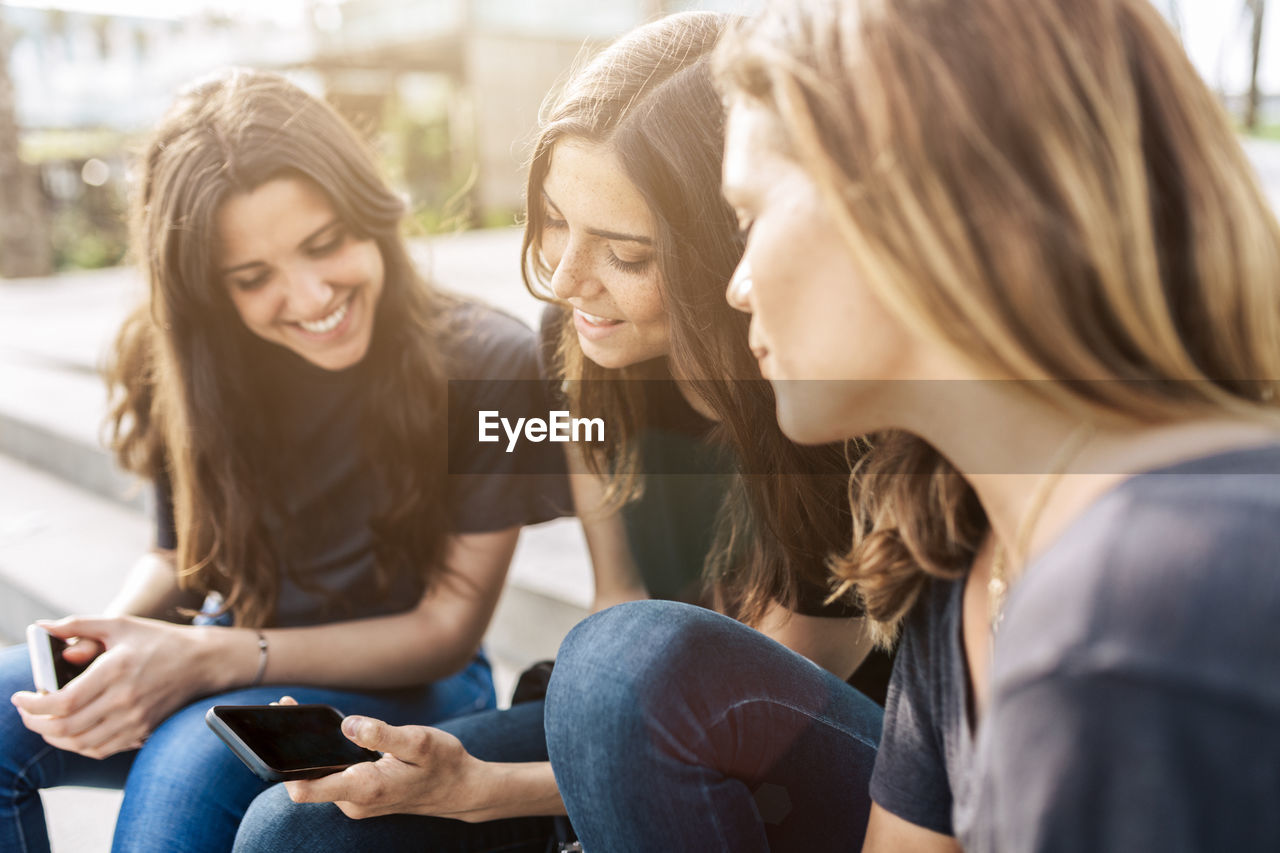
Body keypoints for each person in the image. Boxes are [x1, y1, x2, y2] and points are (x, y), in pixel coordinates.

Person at [233, 11, 887, 853]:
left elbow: (727, 710)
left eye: (628, 254)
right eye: (552, 220)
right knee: (296, 830)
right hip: (633, 714)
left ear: (731, 246)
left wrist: (483, 790)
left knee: (630, 663)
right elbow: (618, 594)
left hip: (822, 756)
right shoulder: (579, 345)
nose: (568, 278)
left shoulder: (822, 390)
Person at [707, 0, 1280, 850]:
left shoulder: (1140, 618)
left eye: (752, 216)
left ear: (918, 197)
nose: (737, 285)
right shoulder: (959, 552)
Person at [0, 69, 565, 853]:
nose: (308, 298)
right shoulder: (187, 364)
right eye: (252, 278)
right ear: (208, 293)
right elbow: (176, 552)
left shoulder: (487, 362)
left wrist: (206, 657)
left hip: (404, 682)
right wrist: (119, 636)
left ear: (368, 211)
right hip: (232, 648)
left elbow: (445, 626)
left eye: (323, 243)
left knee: (185, 770)